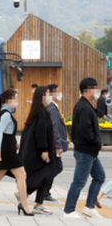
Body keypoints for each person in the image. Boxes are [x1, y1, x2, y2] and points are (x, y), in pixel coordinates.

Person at [63, 78, 105, 218]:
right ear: (88, 89)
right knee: (79, 181)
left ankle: (90, 206)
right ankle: (68, 210)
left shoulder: (85, 105)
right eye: (96, 88)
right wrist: (96, 143)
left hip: (89, 151)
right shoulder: (84, 107)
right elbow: (86, 130)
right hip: (85, 150)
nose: (97, 91)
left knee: (99, 176)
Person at [19, 86, 55, 215]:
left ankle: (28, 198)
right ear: (42, 96)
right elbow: (41, 132)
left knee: (44, 176)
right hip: (39, 151)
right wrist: (44, 149)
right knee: (46, 174)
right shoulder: (41, 112)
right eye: (47, 93)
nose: (49, 96)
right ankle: (29, 197)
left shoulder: (37, 111)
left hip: (34, 150)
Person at [45, 84, 69, 201]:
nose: (60, 94)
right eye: (58, 92)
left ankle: (44, 190)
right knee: (57, 167)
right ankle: (43, 188)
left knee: (54, 167)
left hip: (53, 145)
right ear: (52, 94)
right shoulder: (52, 108)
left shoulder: (53, 107)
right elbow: (54, 128)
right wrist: (58, 145)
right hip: (54, 146)